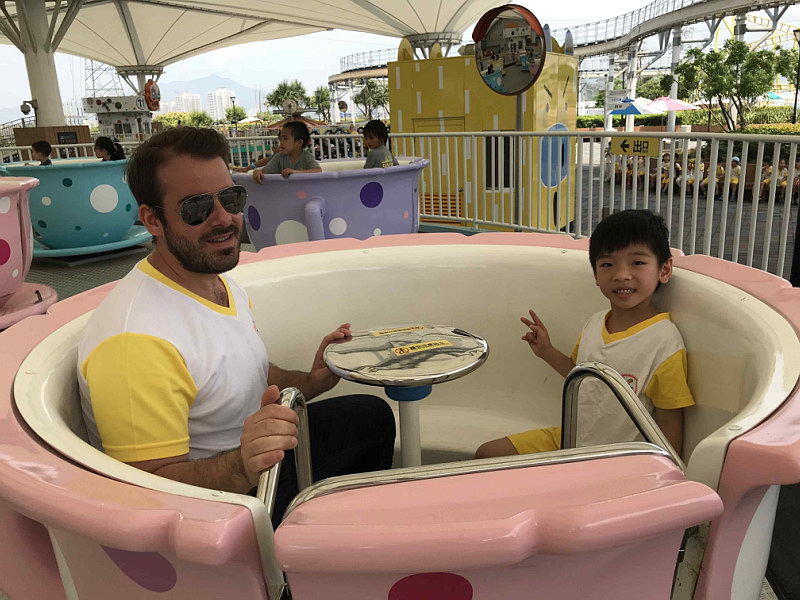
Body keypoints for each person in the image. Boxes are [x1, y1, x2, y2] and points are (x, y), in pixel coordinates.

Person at [78, 127, 395, 523]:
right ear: (152, 220)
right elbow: (148, 491)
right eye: (196, 208)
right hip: (223, 505)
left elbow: (244, 374)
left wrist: (311, 381)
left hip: (252, 462)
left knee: (369, 417)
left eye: (231, 198)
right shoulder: (136, 342)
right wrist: (243, 465)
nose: (224, 218)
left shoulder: (217, 283)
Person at [475, 209, 694, 459]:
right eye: (607, 264)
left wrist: (667, 471)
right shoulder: (595, 323)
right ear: (596, 275)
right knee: (487, 453)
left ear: (664, 270)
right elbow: (580, 376)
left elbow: (670, 419)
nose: (621, 275)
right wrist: (547, 351)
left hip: (615, 458)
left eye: (637, 263)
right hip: (572, 438)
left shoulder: (664, 341)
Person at [252, 121, 321, 182]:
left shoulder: (307, 156)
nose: (281, 142)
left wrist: (296, 173)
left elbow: (318, 171)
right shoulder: (279, 158)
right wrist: (258, 172)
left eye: (285, 139)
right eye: (280, 139)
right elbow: (264, 171)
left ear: (299, 143)